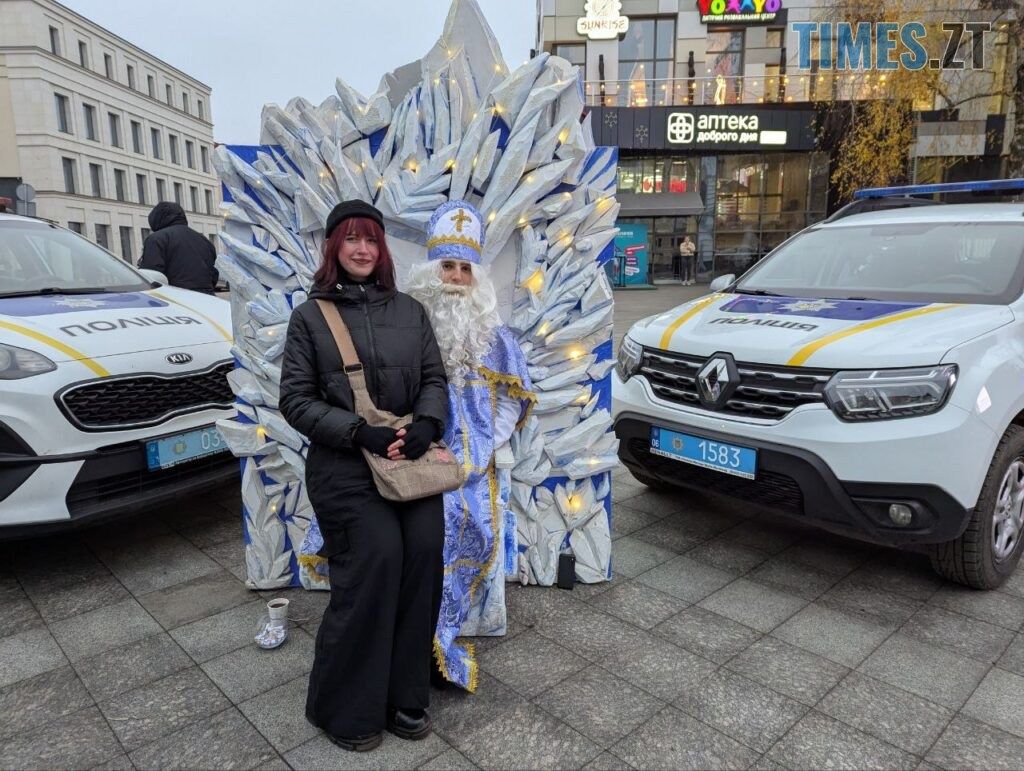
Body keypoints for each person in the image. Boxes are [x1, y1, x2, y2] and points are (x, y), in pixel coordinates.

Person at [278, 199, 449, 752]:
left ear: (382, 250)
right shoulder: (309, 318)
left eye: (371, 240)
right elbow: (296, 401)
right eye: (351, 240)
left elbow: (434, 378)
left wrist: (426, 422)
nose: (362, 249)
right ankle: (346, 706)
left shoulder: (411, 312)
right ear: (334, 247)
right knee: (376, 559)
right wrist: (356, 432)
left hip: (408, 462)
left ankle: (405, 695)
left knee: (422, 554)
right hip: (343, 465)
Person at [405, 200, 535, 692]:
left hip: (476, 463)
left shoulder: (496, 337)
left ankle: (447, 632)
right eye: (447, 267)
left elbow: (512, 401)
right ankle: (422, 636)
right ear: (431, 270)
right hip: (421, 461)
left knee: (474, 527)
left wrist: (486, 445)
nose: (455, 278)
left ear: (475, 276)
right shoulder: (410, 328)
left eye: (464, 269)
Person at [139, 202, 218, 293]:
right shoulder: (204, 241)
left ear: (155, 219)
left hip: (176, 300)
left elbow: (151, 276)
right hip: (206, 299)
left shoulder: (156, 239)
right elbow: (214, 274)